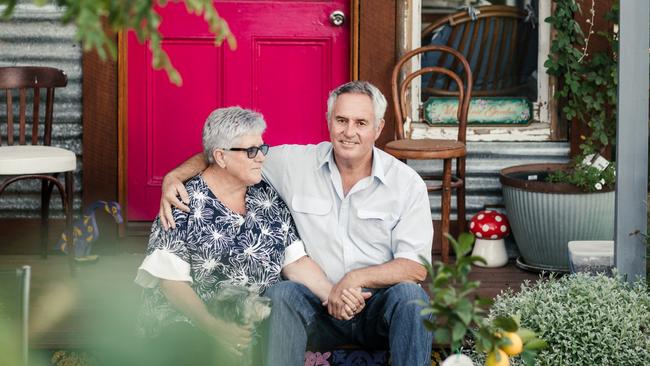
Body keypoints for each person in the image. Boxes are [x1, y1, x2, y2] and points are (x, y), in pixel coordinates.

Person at [159, 81, 434, 365]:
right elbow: (228, 154)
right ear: (329, 122)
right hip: (318, 306)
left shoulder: (405, 183)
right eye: (341, 120)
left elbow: (414, 267)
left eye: (361, 122)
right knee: (283, 293)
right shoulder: (295, 163)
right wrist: (174, 177)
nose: (349, 132)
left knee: (411, 297)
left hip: (376, 307)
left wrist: (354, 279)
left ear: (378, 128)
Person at [134, 107, 333, 365]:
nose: (261, 157)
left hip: (252, 323)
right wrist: (214, 327)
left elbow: (294, 261)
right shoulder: (183, 201)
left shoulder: (266, 196)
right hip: (190, 324)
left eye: (262, 148)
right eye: (251, 151)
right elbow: (171, 282)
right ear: (221, 157)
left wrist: (333, 293)